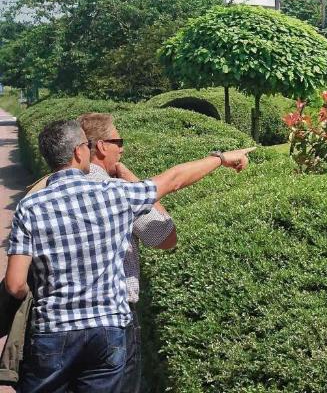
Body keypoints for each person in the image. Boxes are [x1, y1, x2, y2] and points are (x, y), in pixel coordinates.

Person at [3, 120, 254, 393]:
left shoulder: (31, 205)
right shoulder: (114, 194)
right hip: (108, 329)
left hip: (53, 330)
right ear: (79, 151)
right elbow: (174, 180)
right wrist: (220, 158)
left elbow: (15, 284)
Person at [79, 113, 177, 393]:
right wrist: (128, 176)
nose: (122, 148)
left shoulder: (51, 187)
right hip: (114, 318)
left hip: (65, 322)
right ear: (100, 147)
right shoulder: (117, 192)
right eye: (117, 141)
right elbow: (164, 236)